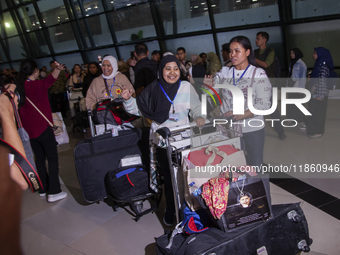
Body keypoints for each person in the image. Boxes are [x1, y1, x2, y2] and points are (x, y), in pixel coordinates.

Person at [121, 55, 205, 226]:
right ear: (161, 71)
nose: (172, 72)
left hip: (184, 141)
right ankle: (172, 209)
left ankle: (191, 209)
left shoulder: (186, 87)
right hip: (163, 142)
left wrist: (199, 117)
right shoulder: (154, 89)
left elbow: (197, 108)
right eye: (168, 68)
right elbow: (139, 108)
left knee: (187, 177)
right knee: (169, 179)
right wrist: (128, 99)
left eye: (175, 68)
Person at [206, 36, 272, 168]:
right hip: (228, 129)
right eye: (230, 51)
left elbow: (265, 105)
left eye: (237, 51)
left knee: (254, 166)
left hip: (252, 128)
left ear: (247, 52)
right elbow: (211, 99)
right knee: (232, 166)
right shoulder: (224, 73)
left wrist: (241, 114)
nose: (232, 55)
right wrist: (207, 88)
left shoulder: (258, 74)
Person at [16, 59, 67, 202]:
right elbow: (51, 79)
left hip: (30, 132)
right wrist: (58, 69)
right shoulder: (37, 85)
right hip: (43, 128)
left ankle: (43, 188)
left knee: (39, 159)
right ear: (36, 71)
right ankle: (54, 191)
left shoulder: (20, 88)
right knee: (52, 159)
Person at [255, 31, 286, 140]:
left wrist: (252, 59)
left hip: (268, 85)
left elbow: (266, 64)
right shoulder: (254, 52)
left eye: (258, 38)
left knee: (272, 109)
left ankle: (280, 131)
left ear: (264, 40)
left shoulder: (270, 51)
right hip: (256, 85)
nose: (256, 40)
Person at [306, 47, 334, 139]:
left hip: (319, 94)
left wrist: (320, 96)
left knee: (317, 114)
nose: (313, 55)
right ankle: (314, 130)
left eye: (315, 53)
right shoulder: (319, 64)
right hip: (316, 93)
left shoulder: (322, 66)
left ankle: (318, 131)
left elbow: (322, 82)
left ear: (321, 54)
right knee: (314, 112)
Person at [286, 48, 307, 129]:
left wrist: (301, 89)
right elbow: (289, 76)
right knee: (290, 104)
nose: (291, 55)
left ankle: (301, 122)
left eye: (293, 53)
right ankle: (290, 120)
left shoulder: (301, 64)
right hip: (291, 86)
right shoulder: (292, 63)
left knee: (299, 105)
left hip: (297, 86)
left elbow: (302, 77)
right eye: (291, 53)